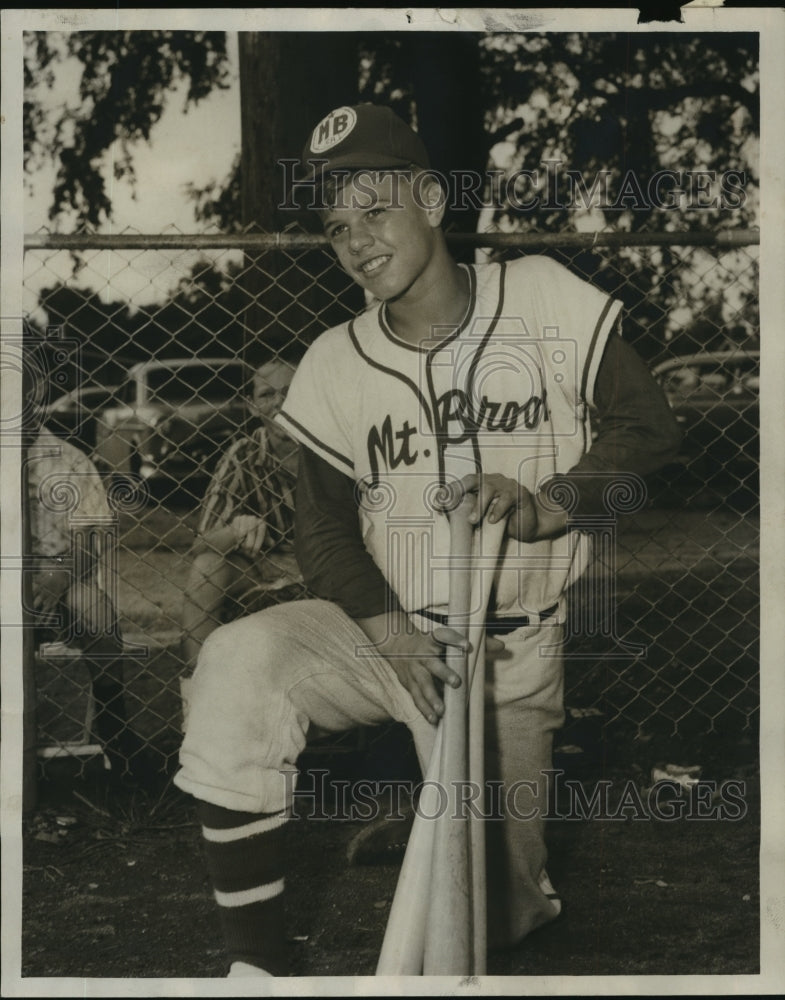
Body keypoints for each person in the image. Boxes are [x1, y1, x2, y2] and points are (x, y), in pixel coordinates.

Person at [174, 103, 682, 977]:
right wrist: (387, 626)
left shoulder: (541, 296)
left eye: (375, 209)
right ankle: (254, 966)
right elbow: (323, 528)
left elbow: (651, 431)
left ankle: (448, 823)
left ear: (432, 200)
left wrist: (554, 501)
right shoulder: (334, 358)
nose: (356, 239)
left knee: (493, 921)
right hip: (386, 636)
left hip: (505, 654)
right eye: (337, 225)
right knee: (238, 661)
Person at [27, 424, 149, 780]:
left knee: (96, 610)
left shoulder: (69, 460)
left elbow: (86, 547)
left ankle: (113, 718)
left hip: (57, 578)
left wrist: (59, 577)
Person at [179, 359, 301, 675]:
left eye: (290, 392)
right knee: (207, 567)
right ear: (252, 407)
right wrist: (236, 529)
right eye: (266, 394)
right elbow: (202, 542)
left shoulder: (335, 448)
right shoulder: (244, 454)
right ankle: (197, 693)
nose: (279, 403)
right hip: (266, 569)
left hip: (331, 568)